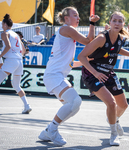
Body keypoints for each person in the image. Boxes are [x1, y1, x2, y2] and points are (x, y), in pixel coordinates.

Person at [38, 7, 100, 146]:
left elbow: (71, 63)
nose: (78, 18)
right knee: (74, 101)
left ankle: (49, 130)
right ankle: (52, 130)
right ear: (66, 18)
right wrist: (92, 23)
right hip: (54, 75)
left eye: (78, 15)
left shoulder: (67, 33)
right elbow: (88, 40)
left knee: (74, 105)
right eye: (75, 15)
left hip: (56, 76)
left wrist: (87, 61)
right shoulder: (67, 29)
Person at [78, 11, 129, 146]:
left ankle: (113, 119)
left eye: (120, 21)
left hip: (108, 73)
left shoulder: (120, 39)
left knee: (123, 105)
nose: (117, 23)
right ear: (110, 22)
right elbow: (81, 57)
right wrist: (95, 73)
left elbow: (116, 49)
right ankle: (113, 134)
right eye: (115, 20)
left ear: (123, 24)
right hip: (92, 73)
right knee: (111, 103)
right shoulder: (101, 38)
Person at [0, 14, 32, 113]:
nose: (2, 26)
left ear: (5, 24)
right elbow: (23, 50)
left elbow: (8, 46)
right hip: (19, 61)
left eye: (2, 24)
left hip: (11, 60)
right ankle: (27, 105)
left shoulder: (5, 33)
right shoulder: (16, 35)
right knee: (16, 85)